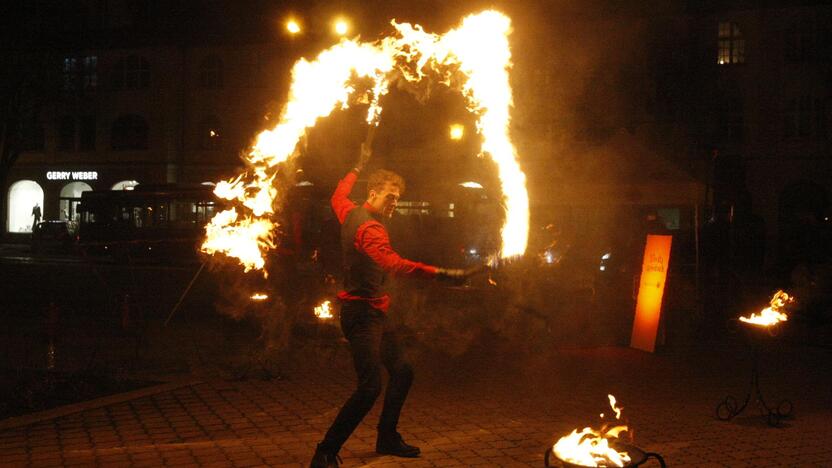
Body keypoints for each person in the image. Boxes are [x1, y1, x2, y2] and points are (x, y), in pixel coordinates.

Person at [310, 143, 472, 467]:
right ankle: (325, 451)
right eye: (389, 196)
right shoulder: (370, 229)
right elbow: (394, 264)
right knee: (370, 386)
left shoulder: (349, 211)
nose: (394, 203)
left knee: (403, 371)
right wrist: (440, 273)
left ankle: (386, 436)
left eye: (397, 198)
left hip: (374, 313)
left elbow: (337, 195)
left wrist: (356, 166)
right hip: (362, 316)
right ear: (372, 194)